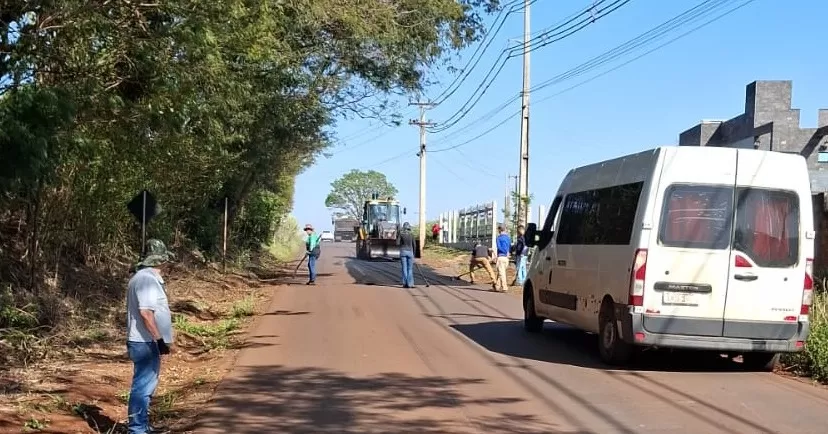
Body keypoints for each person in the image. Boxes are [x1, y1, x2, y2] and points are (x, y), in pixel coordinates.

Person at [126, 239, 174, 434]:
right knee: (143, 387)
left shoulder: (144, 277)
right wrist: (159, 340)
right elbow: (146, 313)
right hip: (145, 342)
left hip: (145, 341)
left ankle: (142, 425)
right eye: (166, 261)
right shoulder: (147, 280)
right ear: (160, 261)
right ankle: (137, 429)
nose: (168, 265)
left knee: (146, 386)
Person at [397, 222, 416, 288]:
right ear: (409, 228)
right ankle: (410, 284)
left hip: (403, 252)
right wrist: (414, 254)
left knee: (404, 268)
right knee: (410, 268)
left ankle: (405, 283)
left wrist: (398, 236)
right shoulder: (411, 235)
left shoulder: (401, 234)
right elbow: (414, 245)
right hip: (410, 252)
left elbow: (397, 243)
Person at [495, 225, 511, 292]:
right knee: (501, 272)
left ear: (499, 230)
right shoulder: (508, 238)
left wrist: (504, 252)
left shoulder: (498, 238)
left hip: (501, 256)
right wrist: (508, 252)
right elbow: (509, 246)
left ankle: (505, 287)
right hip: (506, 258)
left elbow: (499, 247)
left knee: (502, 273)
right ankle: (497, 286)